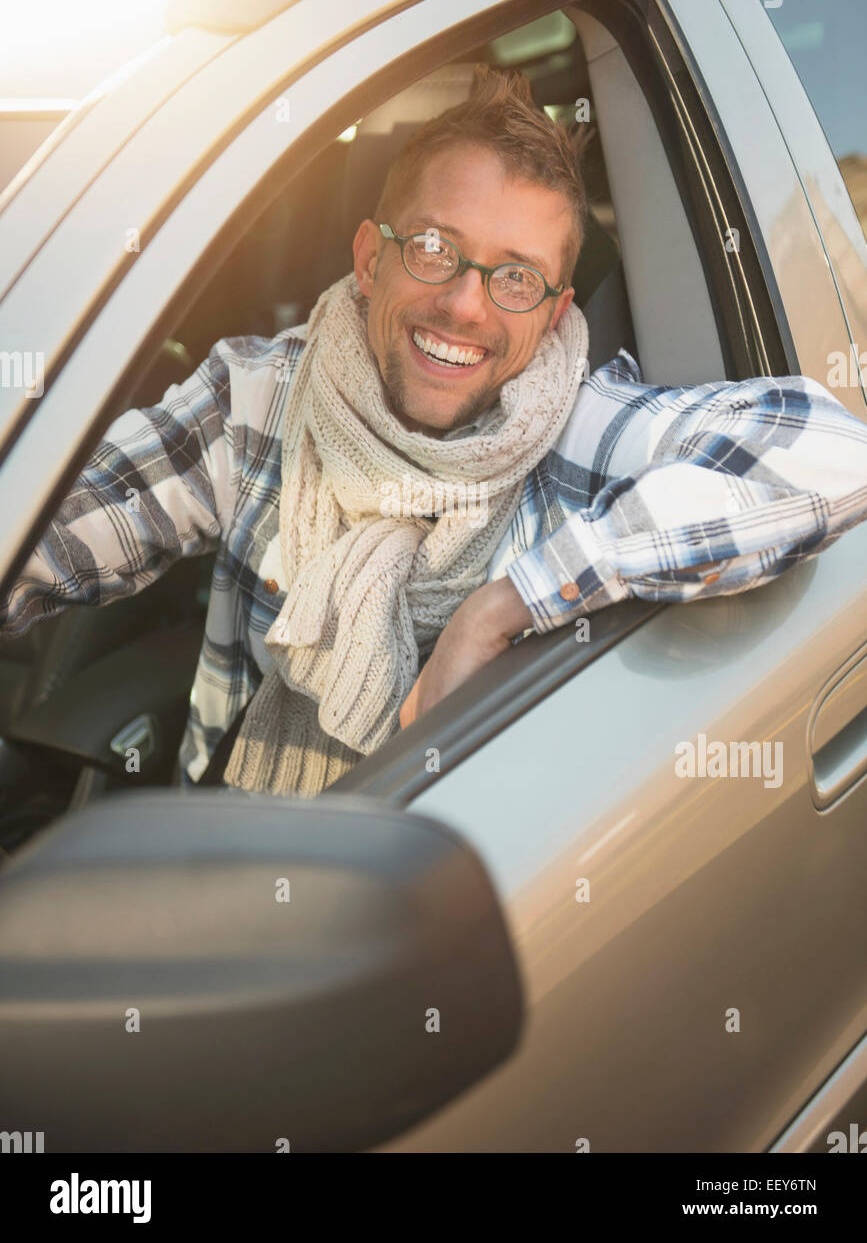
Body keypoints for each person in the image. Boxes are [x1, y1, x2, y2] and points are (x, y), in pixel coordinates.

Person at [2, 66, 866, 796]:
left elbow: (827, 449)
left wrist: (502, 608)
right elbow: (55, 524)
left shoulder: (577, 431)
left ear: (555, 315)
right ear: (370, 259)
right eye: (432, 248)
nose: (463, 303)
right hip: (241, 840)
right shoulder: (263, 396)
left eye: (515, 278)